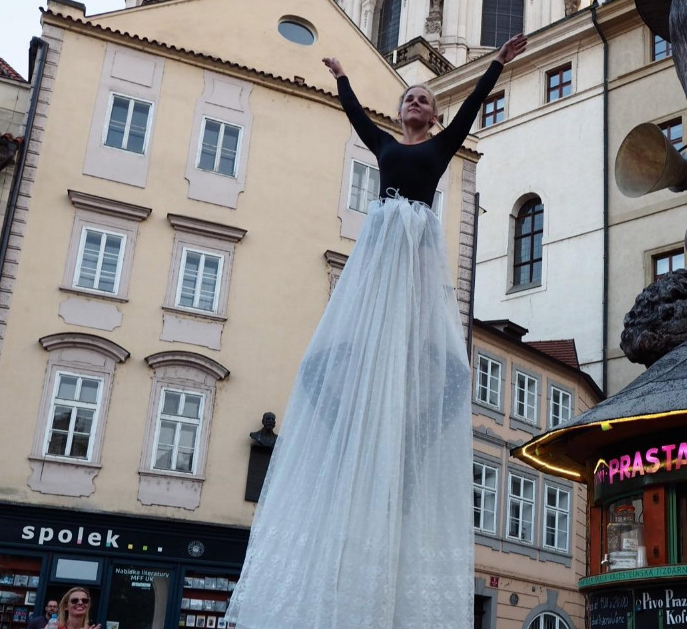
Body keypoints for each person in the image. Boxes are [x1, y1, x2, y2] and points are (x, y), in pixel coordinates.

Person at [226, 34, 527, 629]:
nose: (415, 101)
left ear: (433, 114)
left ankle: (407, 443)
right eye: (409, 97)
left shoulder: (442, 147)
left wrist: (495, 65)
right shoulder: (386, 145)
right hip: (381, 246)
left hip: (414, 249)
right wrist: (341, 76)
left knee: (439, 366)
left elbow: (470, 110)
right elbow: (357, 118)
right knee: (326, 358)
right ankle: (351, 429)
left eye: (422, 98)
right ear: (401, 111)